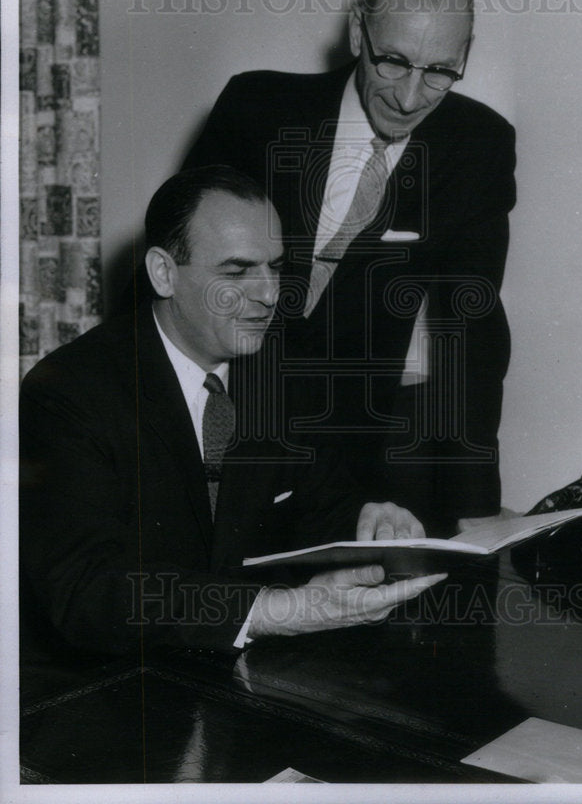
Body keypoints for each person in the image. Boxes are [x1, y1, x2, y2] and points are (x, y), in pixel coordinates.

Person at [19, 166, 444, 661]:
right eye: (238, 272)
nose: (269, 295)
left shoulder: (285, 371)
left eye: (275, 267)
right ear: (164, 273)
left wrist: (370, 526)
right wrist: (275, 611)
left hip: (247, 672)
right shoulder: (70, 391)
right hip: (115, 685)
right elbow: (85, 590)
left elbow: (320, 507)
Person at [183, 0, 516, 534]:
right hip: (234, 421)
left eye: (440, 70)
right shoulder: (255, 109)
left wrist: (476, 507)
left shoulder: (478, 145)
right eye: (393, 62)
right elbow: (174, 268)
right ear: (359, 33)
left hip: (366, 447)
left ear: (465, 56)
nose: (411, 98)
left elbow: (474, 329)